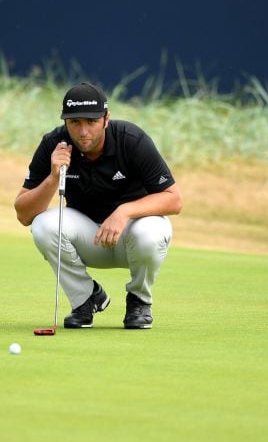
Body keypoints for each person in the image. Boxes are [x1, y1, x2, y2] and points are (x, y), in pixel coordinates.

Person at [14, 82, 182, 329]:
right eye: (75, 123)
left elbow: (174, 199)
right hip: (89, 239)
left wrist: (125, 211)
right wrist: (52, 177)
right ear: (65, 122)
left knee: (152, 232)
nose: (83, 131)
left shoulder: (131, 140)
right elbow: (24, 214)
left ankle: (139, 300)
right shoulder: (55, 144)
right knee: (43, 225)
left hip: (130, 237)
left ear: (106, 119)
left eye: (91, 122)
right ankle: (85, 298)